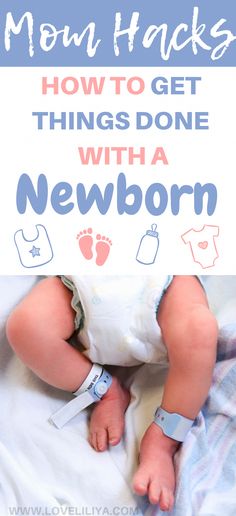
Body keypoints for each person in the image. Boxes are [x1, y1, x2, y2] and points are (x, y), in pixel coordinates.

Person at [6, 275, 218, 512]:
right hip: (80, 280)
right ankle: (103, 388)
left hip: (164, 279)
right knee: (25, 326)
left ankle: (163, 440)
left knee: (199, 329)